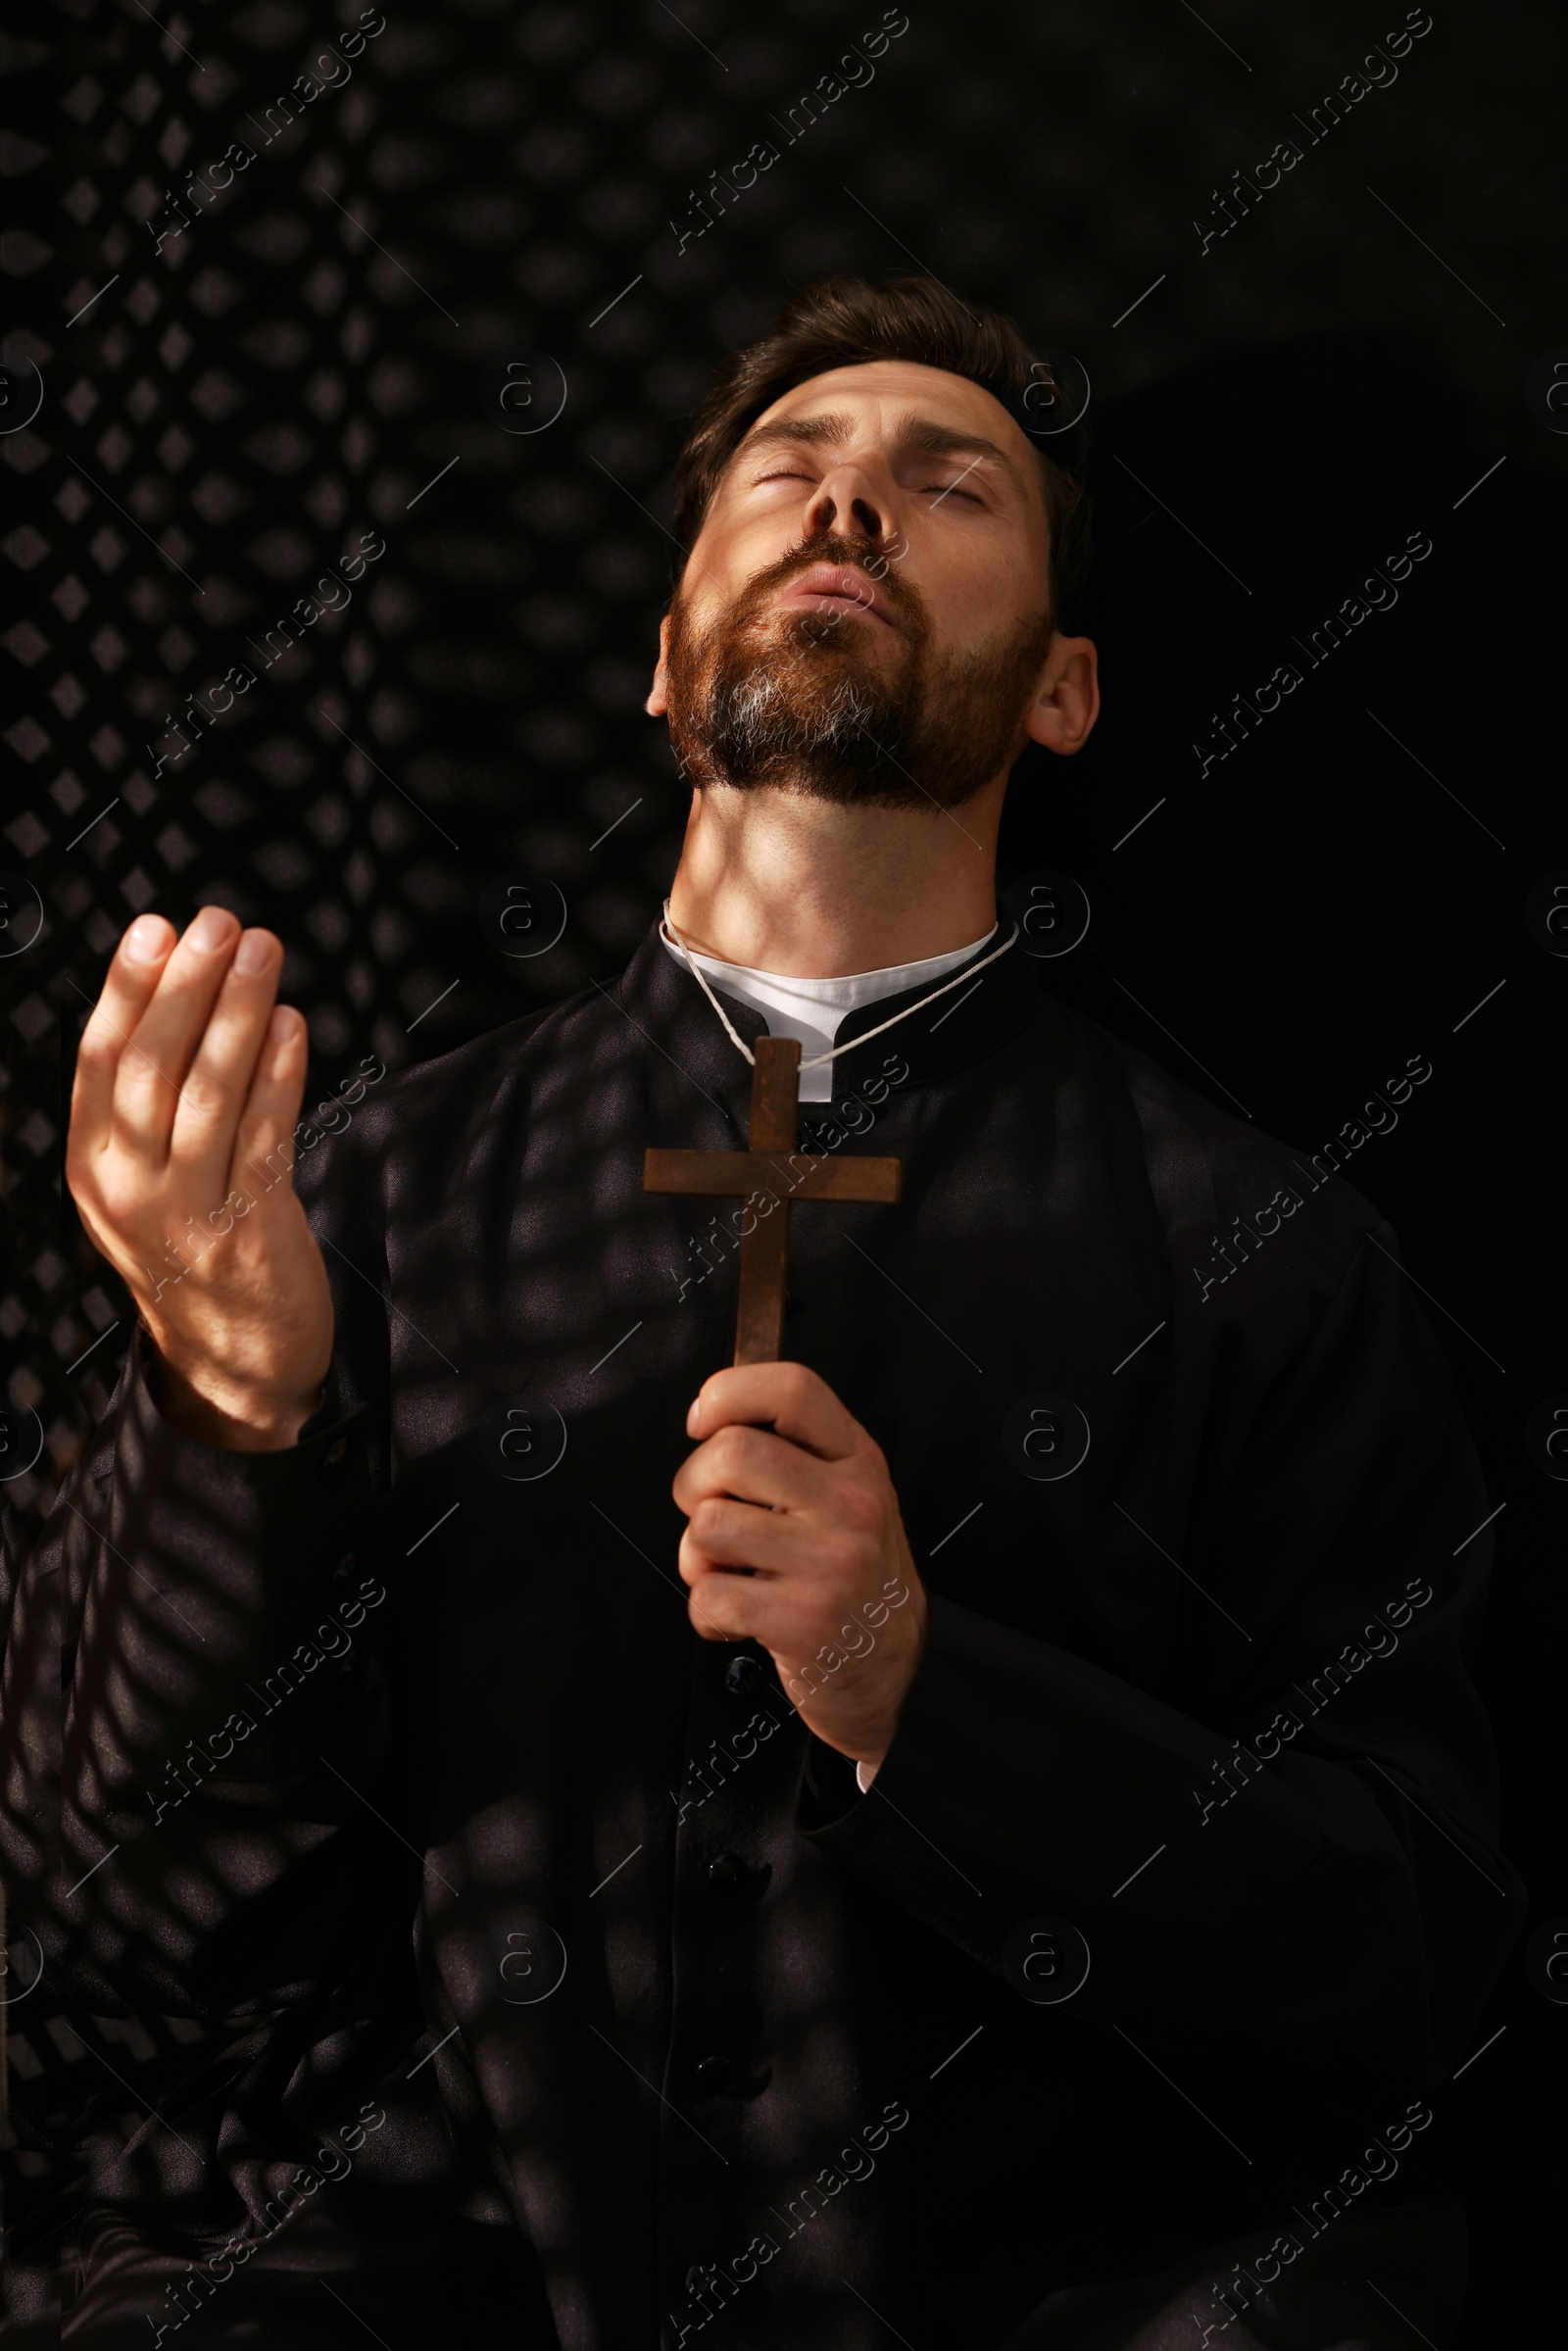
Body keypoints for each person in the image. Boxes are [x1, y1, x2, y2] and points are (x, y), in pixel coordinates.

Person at [2, 276, 1524, 2350]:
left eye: (943, 481)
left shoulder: (1262, 1251)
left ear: (1064, 690)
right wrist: (231, 1409)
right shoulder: (349, 1192)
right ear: (659, 659)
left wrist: (922, 1689)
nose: (846, 509)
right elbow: (112, 1922)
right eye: (784, 472)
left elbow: (1410, 1954)